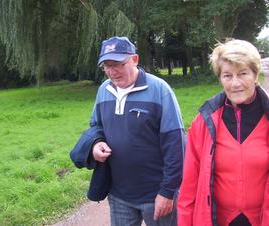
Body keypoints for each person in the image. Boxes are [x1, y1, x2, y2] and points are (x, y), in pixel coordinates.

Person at [70, 36, 186, 226]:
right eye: (106, 66)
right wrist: (96, 144)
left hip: (156, 193)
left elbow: (176, 145)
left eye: (117, 64)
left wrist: (168, 192)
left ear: (135, 59)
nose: (112, 72)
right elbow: (96, 126)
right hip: (119, 195)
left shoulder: (159, 90)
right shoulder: (103, 90)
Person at [177, 39, 269, 226]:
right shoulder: (203, 123)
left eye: (243, 74)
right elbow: (189, 186)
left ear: (255, 74)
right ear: (220, 78)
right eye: (227, 76)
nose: (235, 84)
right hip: (216, 220)